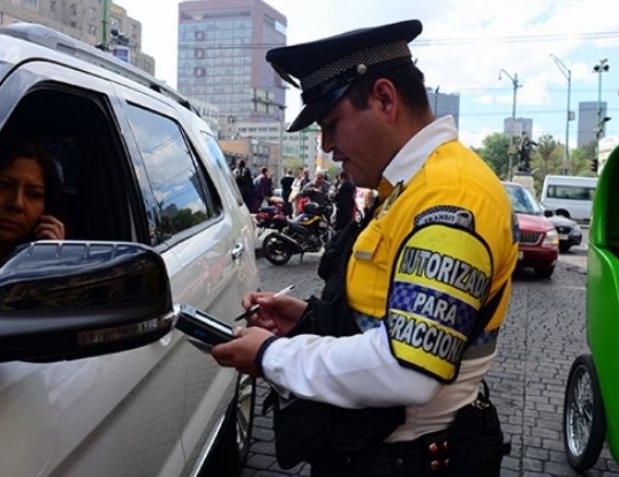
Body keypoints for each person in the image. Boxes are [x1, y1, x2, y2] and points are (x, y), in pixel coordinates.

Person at [211, 19, 518, 476]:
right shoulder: (412, 185)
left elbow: (408, 368)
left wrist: (271, 357)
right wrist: (312, 318)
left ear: (385, 99)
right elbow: (389, 310)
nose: (327, 145)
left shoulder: (452, 196)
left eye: (331, 123)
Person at [0, 136, 66, 289]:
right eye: (3, 186)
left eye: (33, 194)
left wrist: (52, 262)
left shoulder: (38, 270)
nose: (17, 204)